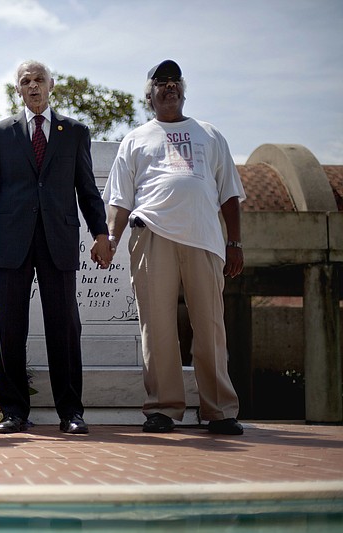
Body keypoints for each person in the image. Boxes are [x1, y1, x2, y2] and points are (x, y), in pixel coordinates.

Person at [0, 60, 113, 435]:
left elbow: (87, 189)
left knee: (65, 328)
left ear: (51, 85)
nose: (33, 86)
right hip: (12, 242)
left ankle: (71, 412)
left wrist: (101, 234)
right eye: (26, 81)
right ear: (18, 90)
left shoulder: (74, 132)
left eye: (39, 80)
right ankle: (14, 412)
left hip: (59, 241)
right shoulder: (1, 132)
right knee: (11, 329)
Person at [103, 59, 246, 435]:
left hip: (204, 238)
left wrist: (235, 242)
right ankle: (163, 408)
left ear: (183, 90)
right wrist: (112, 239)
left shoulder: (210, 134)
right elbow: (120, 199)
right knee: (158, 326)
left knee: (211, 326)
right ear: (149, 94)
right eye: (161, 82)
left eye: (175, 81)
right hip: (152, 234)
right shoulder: (135, 138)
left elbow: (230, 193)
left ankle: (220, 411)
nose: (170, 87)